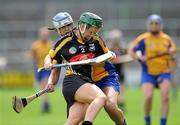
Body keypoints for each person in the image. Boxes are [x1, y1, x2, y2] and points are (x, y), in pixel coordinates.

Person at [45, 12, 127, 125]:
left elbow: (108, 55)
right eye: (61, 28)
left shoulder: (96, 40)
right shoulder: (64, 43)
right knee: (75, 118)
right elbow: (52, 63)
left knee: (110, 105)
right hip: (84, 81)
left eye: (68, 26)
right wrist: (50, 80)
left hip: (105, 77)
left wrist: (108, 56)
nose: (66, 30)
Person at [129, 14, 176, 125]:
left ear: (160, 25)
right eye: (152, 23)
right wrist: (139, 57)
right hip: (148, 73)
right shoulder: (143, 39)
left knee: (165, 97)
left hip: (164, 72)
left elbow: (173, 55)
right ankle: (147, 119)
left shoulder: (167, 39)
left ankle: (163, 123)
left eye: (157, 23)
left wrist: (172, 56)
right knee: (148, 97)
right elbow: (131, 51)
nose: (154, 26)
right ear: (148, 25)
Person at [30, 27, 53, 113]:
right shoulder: (36, 45)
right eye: (43, 35)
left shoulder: (50, 45)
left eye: (46, 35)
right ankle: (45, 102)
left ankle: (45, 104)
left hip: (47, 69)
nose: (45, 36)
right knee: (41, 87)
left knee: (44, 85)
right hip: (38, 69)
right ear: (40, 35)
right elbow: (32, 55)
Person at [108, 29, 126, 111]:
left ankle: (120, 106)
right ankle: (117, 105)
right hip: (112, 73)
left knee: (121, 91)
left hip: (120, 72)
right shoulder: (109, 49)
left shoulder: (123, 49)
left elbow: (126, 59)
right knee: (115, 91)